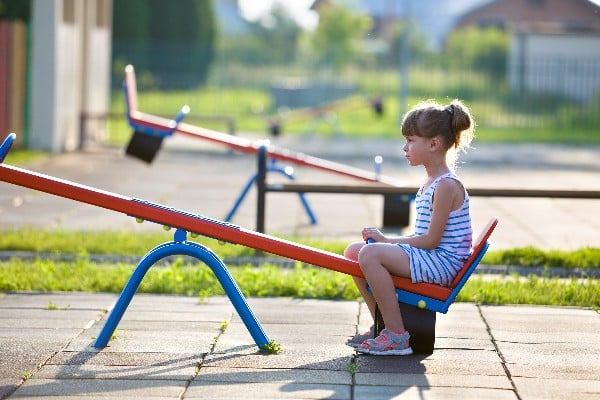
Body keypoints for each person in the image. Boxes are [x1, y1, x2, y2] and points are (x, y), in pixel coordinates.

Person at [344, 99, 475, 355]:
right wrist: (388, 242)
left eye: (410, 140)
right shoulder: (431, 182)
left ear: (433, 144)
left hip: (441, 263)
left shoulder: (446, 185)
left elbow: (430, 241)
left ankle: (396, 335)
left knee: (370, 253)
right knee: (353, 252)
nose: (405, 148)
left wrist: (387, 241)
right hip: (431, 258)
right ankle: (382, 325)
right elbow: (424, 239)